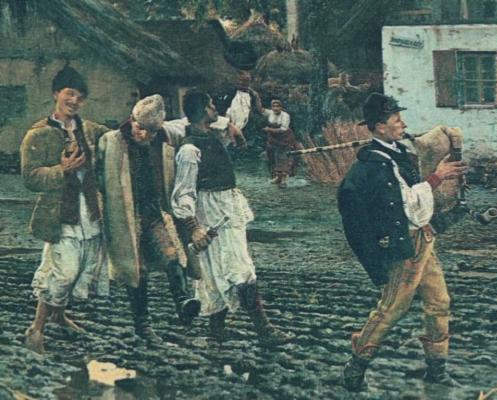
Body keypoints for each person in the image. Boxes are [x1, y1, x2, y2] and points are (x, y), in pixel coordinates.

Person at [337, 93, 468, 391]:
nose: (403, 124)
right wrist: (437, 177)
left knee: (439, 302)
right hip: (403, 245)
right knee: (392, 308)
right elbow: (406, 204)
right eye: (397, 120)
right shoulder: (374, 166)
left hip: (423, 238)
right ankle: (355, 367)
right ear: (379, 127)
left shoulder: (398, 153)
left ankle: (437, 369)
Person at [171, 90, 295, 346]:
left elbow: (228, 120)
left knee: (220, 269)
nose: (215, 108)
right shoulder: (189, 149)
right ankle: (264, 330)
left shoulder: (210, 135)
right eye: (211, 104)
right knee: (237, 268)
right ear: (202, 111)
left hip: (227, 207)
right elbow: (183, 192)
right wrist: (194, 227)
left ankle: (216, 330)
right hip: (210, 212)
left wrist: (231, 125)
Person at [96, 94, 200, 344]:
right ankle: (142, 325)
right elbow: (97, 180)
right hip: (125, 216)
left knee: (172, 254)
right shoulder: (111, 142)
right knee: (137, 269)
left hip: (154, 213)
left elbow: (189, 125)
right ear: (132, 121)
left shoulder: (166, 137)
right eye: (140, 128)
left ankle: (183, 301)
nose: (145, 135)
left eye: (152, 131)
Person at [21, 65, 110, 353]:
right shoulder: (38, 134)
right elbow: (30, 178)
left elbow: (117, 137)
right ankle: (36, 329)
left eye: (80, 96)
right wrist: (62, 170)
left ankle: (58, 316)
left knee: (81, 267)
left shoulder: (90, 129)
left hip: (88, 210)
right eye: (69, 93)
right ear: (56, 94)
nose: (74, 100)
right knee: (64, 273)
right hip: (59, 214)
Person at [259, 99, 297, 188]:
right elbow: (260, 109)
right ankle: (278, 177)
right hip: (273, 139)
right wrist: (256, 97)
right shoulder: (270, 113)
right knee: (272, 156)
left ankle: (284, 179)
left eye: (277, 106)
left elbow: (283, 129)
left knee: (283, 157)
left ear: (281, 107)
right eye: (274, 106)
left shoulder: (285, 116)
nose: (275, 108)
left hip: (284, 138)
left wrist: (269, 129)